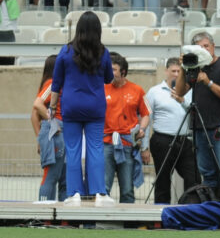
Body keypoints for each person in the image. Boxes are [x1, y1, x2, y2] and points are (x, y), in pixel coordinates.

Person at [50, 11, 115, 207]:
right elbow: (109, 78)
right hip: (95, 107)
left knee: (73, 150)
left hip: (71, 106)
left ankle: (74, 194)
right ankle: (99, 194)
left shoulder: (66, 51)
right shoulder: (103, 52)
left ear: (78, 29)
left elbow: (56, 82)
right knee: (96, 148)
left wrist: (53, 107)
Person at [175, 32, 220, 205]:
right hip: (200, 127)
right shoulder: (195, 67)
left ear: (213, 46)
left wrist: (208, 82)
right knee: (208, 173)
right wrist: (183, 67)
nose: (204, 50)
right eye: (200, 47)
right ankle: (214, 210)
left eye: (206, 46)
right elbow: (180, 91)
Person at [145, 57, 197, 204]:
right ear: (166, 71)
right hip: (163, 139)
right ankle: (160, 215)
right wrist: (144, 147)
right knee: (163, 180)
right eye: (173, 71)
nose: (176, 74)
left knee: (193, 177)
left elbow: (194, 111)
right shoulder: (155, 92)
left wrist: (182, 99)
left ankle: (189, 210)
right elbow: (146, 118)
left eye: (179, 71)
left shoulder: (190, 91)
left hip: (185, 141)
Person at [103, 52, 150, 203]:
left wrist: (142, 129)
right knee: (103, 187)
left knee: (127, 189)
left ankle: (128, 224)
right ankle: (101, 221)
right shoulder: (102, 88)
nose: (110, 72)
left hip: (127, 144)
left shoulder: (137, 90)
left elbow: (146, 113)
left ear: (123, 72)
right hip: (106, 143)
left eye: (114, 69)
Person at [31, 55, 67, 201]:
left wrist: (39, 139)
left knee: (64, 178)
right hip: (57, 133)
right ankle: (44, 216)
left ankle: (62, 220)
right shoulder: (52, 84)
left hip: (64, 133)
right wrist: (53, 122)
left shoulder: (56, 84)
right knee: (51, 175)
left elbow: (34, 114)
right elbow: (36, 106)